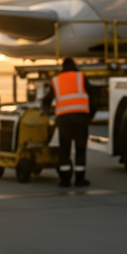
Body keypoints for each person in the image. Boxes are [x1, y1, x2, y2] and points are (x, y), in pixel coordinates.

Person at [43, 58, 98, 187]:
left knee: (64, 149)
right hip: (81, 118)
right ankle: (80, 179)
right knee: (80, 149)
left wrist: (47, 111)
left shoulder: (56, 80)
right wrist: (90, 115)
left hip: (64, 120)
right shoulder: (81, 77)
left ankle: (65, 179)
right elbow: (93, 96)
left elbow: (47, 100)